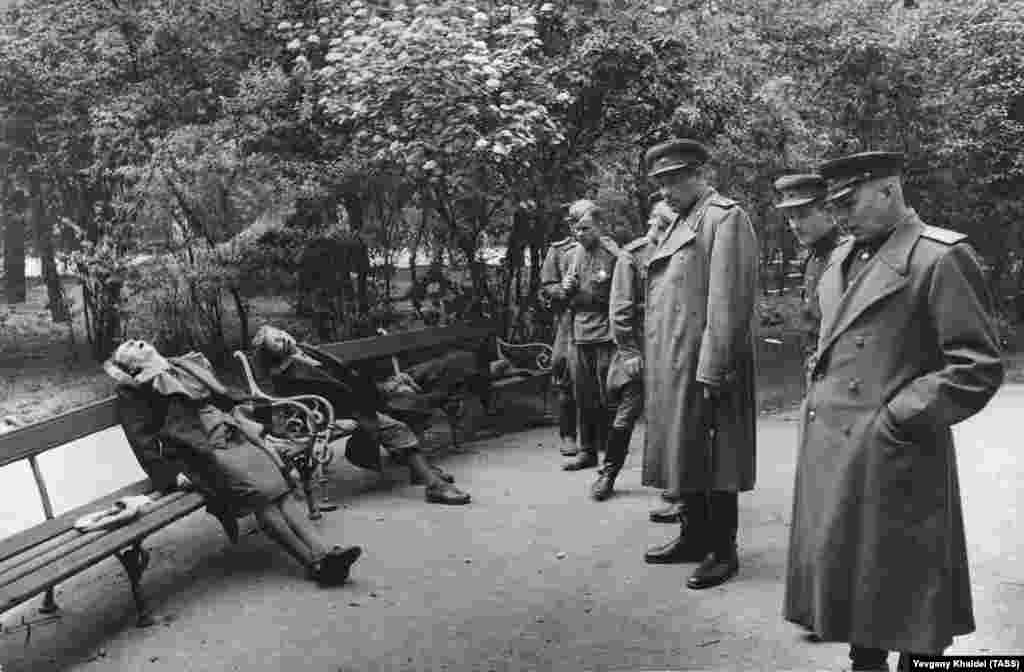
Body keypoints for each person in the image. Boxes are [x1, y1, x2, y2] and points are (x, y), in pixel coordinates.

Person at [783, 151, 1004, 672]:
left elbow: (976, 365)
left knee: (907, 588)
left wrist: (898, 418)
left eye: (850, 201)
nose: (840, 215)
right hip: (838, 450)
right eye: (834, 205)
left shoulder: (939, 256)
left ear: (888, 190)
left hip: (897, 451)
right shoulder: (842, 258)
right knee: (859, 587)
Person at [106, 340, 361, 587]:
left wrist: (246, 409)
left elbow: (221, 397)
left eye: (138, 341)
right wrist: (169, 475)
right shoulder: (133, 390)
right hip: (200, 453)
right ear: (131, 367)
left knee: (279, 490)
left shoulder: (177, 366)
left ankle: (325, 553)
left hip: (230, 434)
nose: (137, 342)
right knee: (261, 497)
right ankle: (313, 564)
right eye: (130, 347)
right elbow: (142, 441)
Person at [639, 139, 759, 591]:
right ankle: (692, 536)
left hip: (707, 362)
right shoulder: (679, 221)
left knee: (717, 454)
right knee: (684, 448)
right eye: (661, 182)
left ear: (697, 175)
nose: (665, 190)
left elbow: (727, 300)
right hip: (674, 359)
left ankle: (721, 550)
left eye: (673, 180)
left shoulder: (723, 218)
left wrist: (713, 366)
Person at [251, 325, 472, 506]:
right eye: (277, 343)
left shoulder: (306, 352)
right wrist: (369, 400)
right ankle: (433, 485)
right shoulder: (287, 375)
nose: (284, 340)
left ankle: (419, 470)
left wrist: (385, 385)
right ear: (273, 355)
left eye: (281, 334)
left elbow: (345, 373)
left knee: (420, 389)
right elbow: (320, 400)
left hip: (364, 395)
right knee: (396, 427)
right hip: (342, 410)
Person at [590, 201, 674, 501]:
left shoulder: (681, 250)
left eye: (665, 226)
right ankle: (607, 474)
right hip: (640, 347)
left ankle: (673, 481)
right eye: (656, 224)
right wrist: (629, 352)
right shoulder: (633, 255)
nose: (658, 231)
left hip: (672, 348)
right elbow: (620, 309)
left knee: (671, 416)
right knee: (625, 415)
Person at [560, 200, 621, 471]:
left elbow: (616, 297)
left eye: (585, 228)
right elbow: (567, 296)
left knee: (607, 395)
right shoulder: (575, 254)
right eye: (576, 228)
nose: (579, 233)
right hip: (580, 334)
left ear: (599, 227)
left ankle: (609, 454)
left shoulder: (611, 254)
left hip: (605, 336)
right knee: (582, 395)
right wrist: (566, 288)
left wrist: (578, 295)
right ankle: (587, 451)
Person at [772, 173, 844, 367]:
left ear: (829, 212)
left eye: (802, 215)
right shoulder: (812, 259)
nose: (794, 225)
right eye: (790, 217)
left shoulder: (846, 257)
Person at [540, 217, 580, 457]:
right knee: (563, 369)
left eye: (583, 221)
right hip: (569, 321)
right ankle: (568, 435)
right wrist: (561, 288)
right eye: (574, 222)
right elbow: (547, 286)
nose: (577, 226)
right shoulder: (559, 251)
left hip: (599, 320)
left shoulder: (606, 249)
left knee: (597, 376)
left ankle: (596, 436)